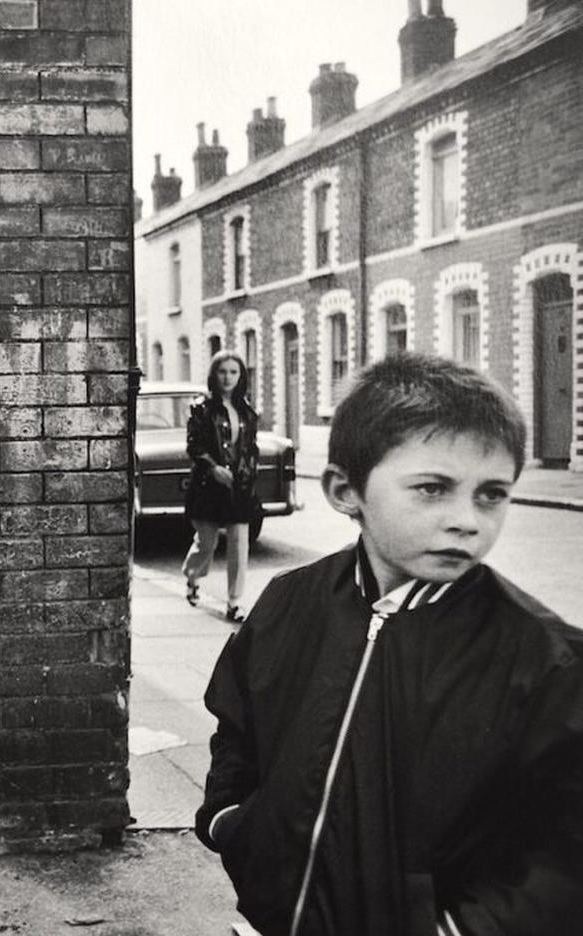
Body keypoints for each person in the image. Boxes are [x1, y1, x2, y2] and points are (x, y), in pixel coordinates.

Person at [195, 353, 583, 936]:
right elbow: (237, 726)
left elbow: (563, 862)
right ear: (346, 490)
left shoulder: (546, 661)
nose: (467, 521)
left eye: (491, 494)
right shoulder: (288, 601)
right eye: (433, 488)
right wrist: (232, 822)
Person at [183, 350, 260, 623]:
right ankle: (192, 576)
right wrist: (213, 468)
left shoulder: (247, 411)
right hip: (208, 486)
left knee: (240, 544)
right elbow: (194, 446)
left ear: (241, 376)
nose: (228, 377)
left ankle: (235, 602)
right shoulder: (202, 409)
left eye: (233, 372)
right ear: (214, 375)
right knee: (207, 543)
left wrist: (247, 474)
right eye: (223, 371)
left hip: (238, 488)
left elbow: (251, 448)